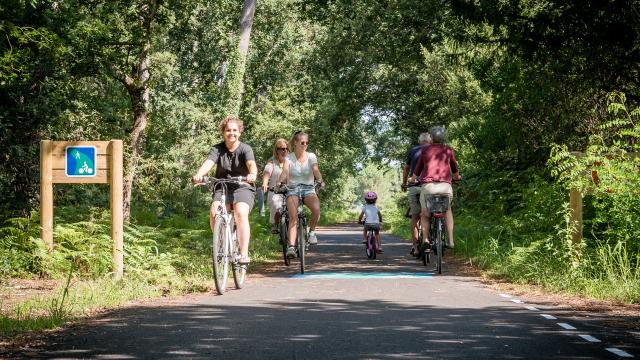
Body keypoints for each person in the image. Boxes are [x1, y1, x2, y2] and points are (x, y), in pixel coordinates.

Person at [192, 115, 258, 264]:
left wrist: (252, 174)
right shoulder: (217, 149)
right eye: (228, 130)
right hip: (222, 186)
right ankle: (220, 244)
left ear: (239, 132)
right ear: (223, 132)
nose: (231, 133)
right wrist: (199, 175)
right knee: (214, 212)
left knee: (240, 213)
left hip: (243, 186)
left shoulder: (245, 149)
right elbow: (208, 163)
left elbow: (251, 164)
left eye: (235, 130)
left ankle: (243, 253)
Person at [409, 126, 461, 249]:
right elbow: (454, 169)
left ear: (431, 138)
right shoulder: (448, 150)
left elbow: (418, 169)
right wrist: (457, 177)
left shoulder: (426, 150)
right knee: (447, 210)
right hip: (445, 186)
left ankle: (426, 239)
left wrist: (412, 178)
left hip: (428, 187)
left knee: (425, 214)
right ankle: (451, 241)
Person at [277, 131, 325, 259]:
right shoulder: (289, 158)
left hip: (309, 189)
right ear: (296, 143)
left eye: (307, 143)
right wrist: (280, 182)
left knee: (316, 209)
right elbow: (285, 171)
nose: (305, 145)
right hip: (292, 189)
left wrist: (320, 180)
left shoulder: (311, 156)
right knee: (293, 217)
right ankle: (291, 247)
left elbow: (315, 170)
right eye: (302, 142)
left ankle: (312, 232)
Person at [402, 132, 432, 256]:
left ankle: (415, 248)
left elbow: (406, 169)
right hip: (430, 187)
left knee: (415, 217)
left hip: (415, 187)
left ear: (420, 141)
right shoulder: (434, 150)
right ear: (430, 141)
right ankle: (430, 238)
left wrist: (404, 183)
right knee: (429, 215)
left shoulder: (413, 150)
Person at [261, 138, 289, 234]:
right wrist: (265, 183)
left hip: (290, 189)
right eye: (282, 149)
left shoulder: (291, 161)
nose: (284, 151)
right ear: (277, 150)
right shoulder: (272, 161)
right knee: (276, 203)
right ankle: (275, 224)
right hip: (276, 190)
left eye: (286, 148)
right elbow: (267, 172)